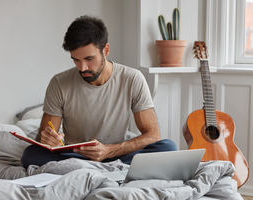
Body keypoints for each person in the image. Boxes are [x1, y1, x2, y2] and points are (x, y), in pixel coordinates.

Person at [21, 15, 177, 169]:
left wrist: (109, 151)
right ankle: (96, 169)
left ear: (106, 50)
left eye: (89, 58)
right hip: (75, 156)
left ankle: (86, 170)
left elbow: (152, 135)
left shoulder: (132, 79)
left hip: (117, 154)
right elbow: (44, 138)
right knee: (31, 154)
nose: (82, 68)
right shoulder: (59, 83)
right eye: (76, 60)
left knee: (168, 147)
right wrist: (48, 140)